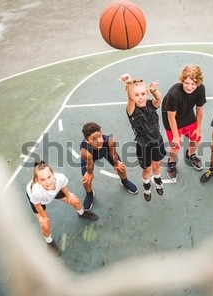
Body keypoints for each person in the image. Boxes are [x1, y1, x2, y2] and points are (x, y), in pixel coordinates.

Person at [26, 161, 98, 256]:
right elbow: (38, 205)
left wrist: (69, 197)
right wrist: (43, 218)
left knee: (75, 201)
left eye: (49, 177)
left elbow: (64, 187)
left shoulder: (60, 178)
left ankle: (82, 213)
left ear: (53, 174)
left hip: (55, 192)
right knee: (45, 225)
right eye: (43, 179)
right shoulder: (35, 191)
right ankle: (49, 242)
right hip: (40, 201)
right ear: (37, 180)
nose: (48, 182)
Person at [118, 73, 166, 202]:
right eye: (136, 94)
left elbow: (159, 99)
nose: (140, 97)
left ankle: (157, 180)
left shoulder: (151, 104)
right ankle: (146, 186)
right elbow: (131, 100)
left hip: (157, 141)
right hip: (143, 145)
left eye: (143, 94)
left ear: (147, 94)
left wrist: (154, 91)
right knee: (147, 168)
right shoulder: (131, 110)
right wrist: (129, 84)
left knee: (157, 164)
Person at [161, 64, 206, 180]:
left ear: (198, 82)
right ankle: (171, 163)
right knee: (175, 145)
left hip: (187, 114)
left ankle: (190, 154)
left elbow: (200, 109)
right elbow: (171, 117)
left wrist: (198, 127)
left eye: (193, 84)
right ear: (182, 80)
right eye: (186, 83)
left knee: (196, 138)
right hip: (172, 118)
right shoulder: (174, 93)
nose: (189, 87)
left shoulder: (201, 89)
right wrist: (176, 137)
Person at [80, 122, 138, 210]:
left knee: (121, 167)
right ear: (87, 141)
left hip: (105, 152)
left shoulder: (110, 141)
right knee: (86, 180)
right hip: (90, 158)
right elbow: (90, 164)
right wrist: (89, 173)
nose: (99, 141)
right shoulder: (85, 151)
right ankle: (89, 194)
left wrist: (116, 164)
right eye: (93, 139)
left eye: (99, 136)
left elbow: (113, 154)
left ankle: (124, 181)